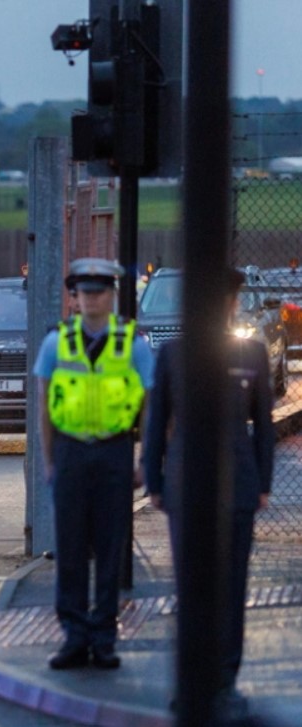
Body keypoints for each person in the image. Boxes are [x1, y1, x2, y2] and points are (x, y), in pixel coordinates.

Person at [142, 268, 273, 716]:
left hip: (238, 485)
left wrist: (263, 483)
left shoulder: (252, 353)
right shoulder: (174, 354)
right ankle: (191, 679)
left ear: (233, 304)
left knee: (232, 587)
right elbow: (157, 420)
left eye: (227, 299)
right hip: (184, 485)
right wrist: (154, 480)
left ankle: (225, 681)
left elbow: (263, 426)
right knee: (190, 586)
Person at [32, 258, 155, 670]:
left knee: (109, 549)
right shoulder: (56, 343)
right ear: (75, 297)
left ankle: (103, 638)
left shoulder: (133, 344)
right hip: (70, 452)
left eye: (98, 292)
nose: (91, 299)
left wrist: (145, 460)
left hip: (113, 452)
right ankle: (74, 636)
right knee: (69, 549)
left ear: (112, 295)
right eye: (84, 293)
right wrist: (50, 461)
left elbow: (150, 407)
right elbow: (44, 406)